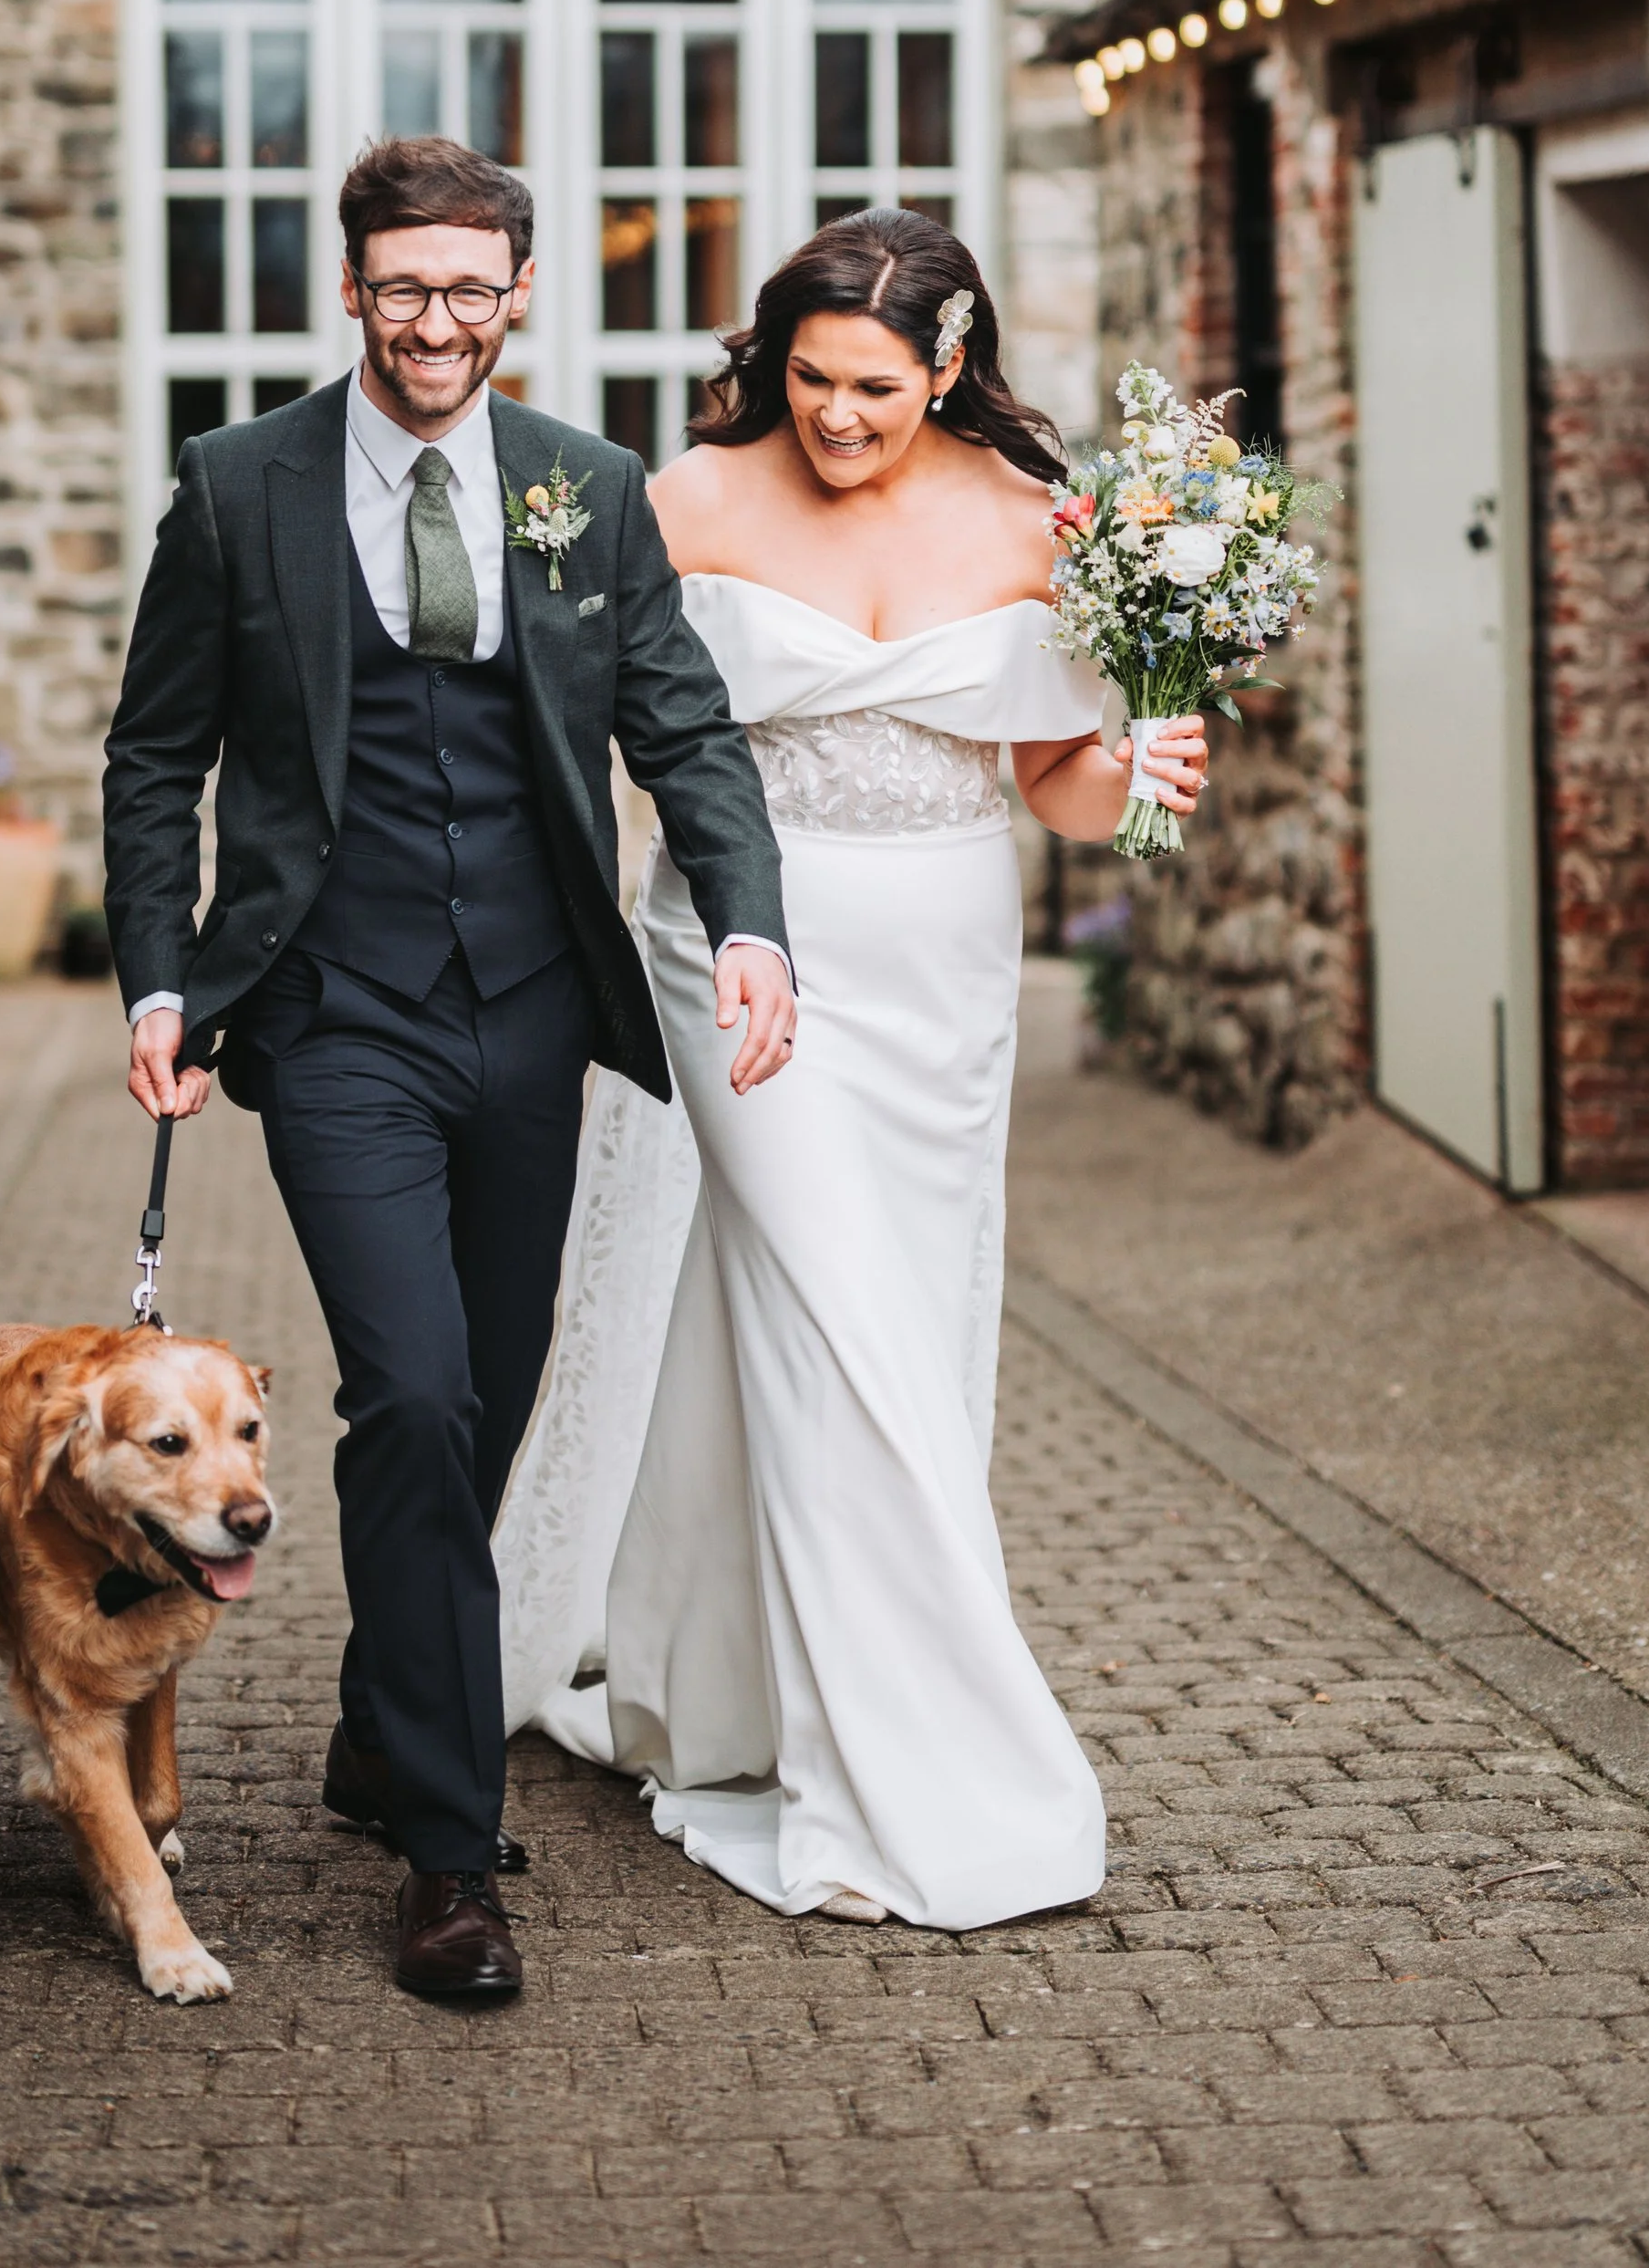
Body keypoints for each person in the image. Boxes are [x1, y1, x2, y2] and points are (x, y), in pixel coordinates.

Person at [100, 135, 794, 2003]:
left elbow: (685, 729)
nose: (432, 321)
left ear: (516, 297)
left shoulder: (587, 488)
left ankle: (377, 1708)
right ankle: (441, 1850)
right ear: (352, 291)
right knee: (405, 1396)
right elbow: (155, 755)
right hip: (333, 1014)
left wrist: (746, 922)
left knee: (482, 1393)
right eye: (400, 286)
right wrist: (157, 980)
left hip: (532, 1014)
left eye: (466, 289)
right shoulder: (238, 489)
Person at [495, 207, 1208, 1930]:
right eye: (811, 379)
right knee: (835, 1317)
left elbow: (1051, 777)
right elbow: (574, 733)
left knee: (878, 1315)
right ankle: (918, 1750)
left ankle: (718, 1690)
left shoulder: (1047, 522)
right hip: (741, 958)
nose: (838, 416)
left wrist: (1145, 771)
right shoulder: (687, 500)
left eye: (877, 387)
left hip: (947, 972)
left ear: (947, 366)